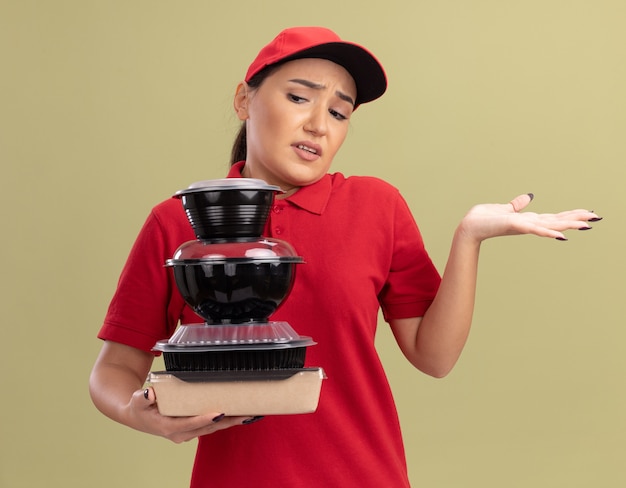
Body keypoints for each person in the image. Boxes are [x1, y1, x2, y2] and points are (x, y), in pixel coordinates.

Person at [89, 26, 601, 487]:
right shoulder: (178, 223)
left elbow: (434, 356)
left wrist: (468, 238)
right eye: (298, 98)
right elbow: (114, 369)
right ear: (245, 99)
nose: (318, 124)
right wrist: (142, 415)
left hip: (366, 476)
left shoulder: (376, 206)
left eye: (338, 112)